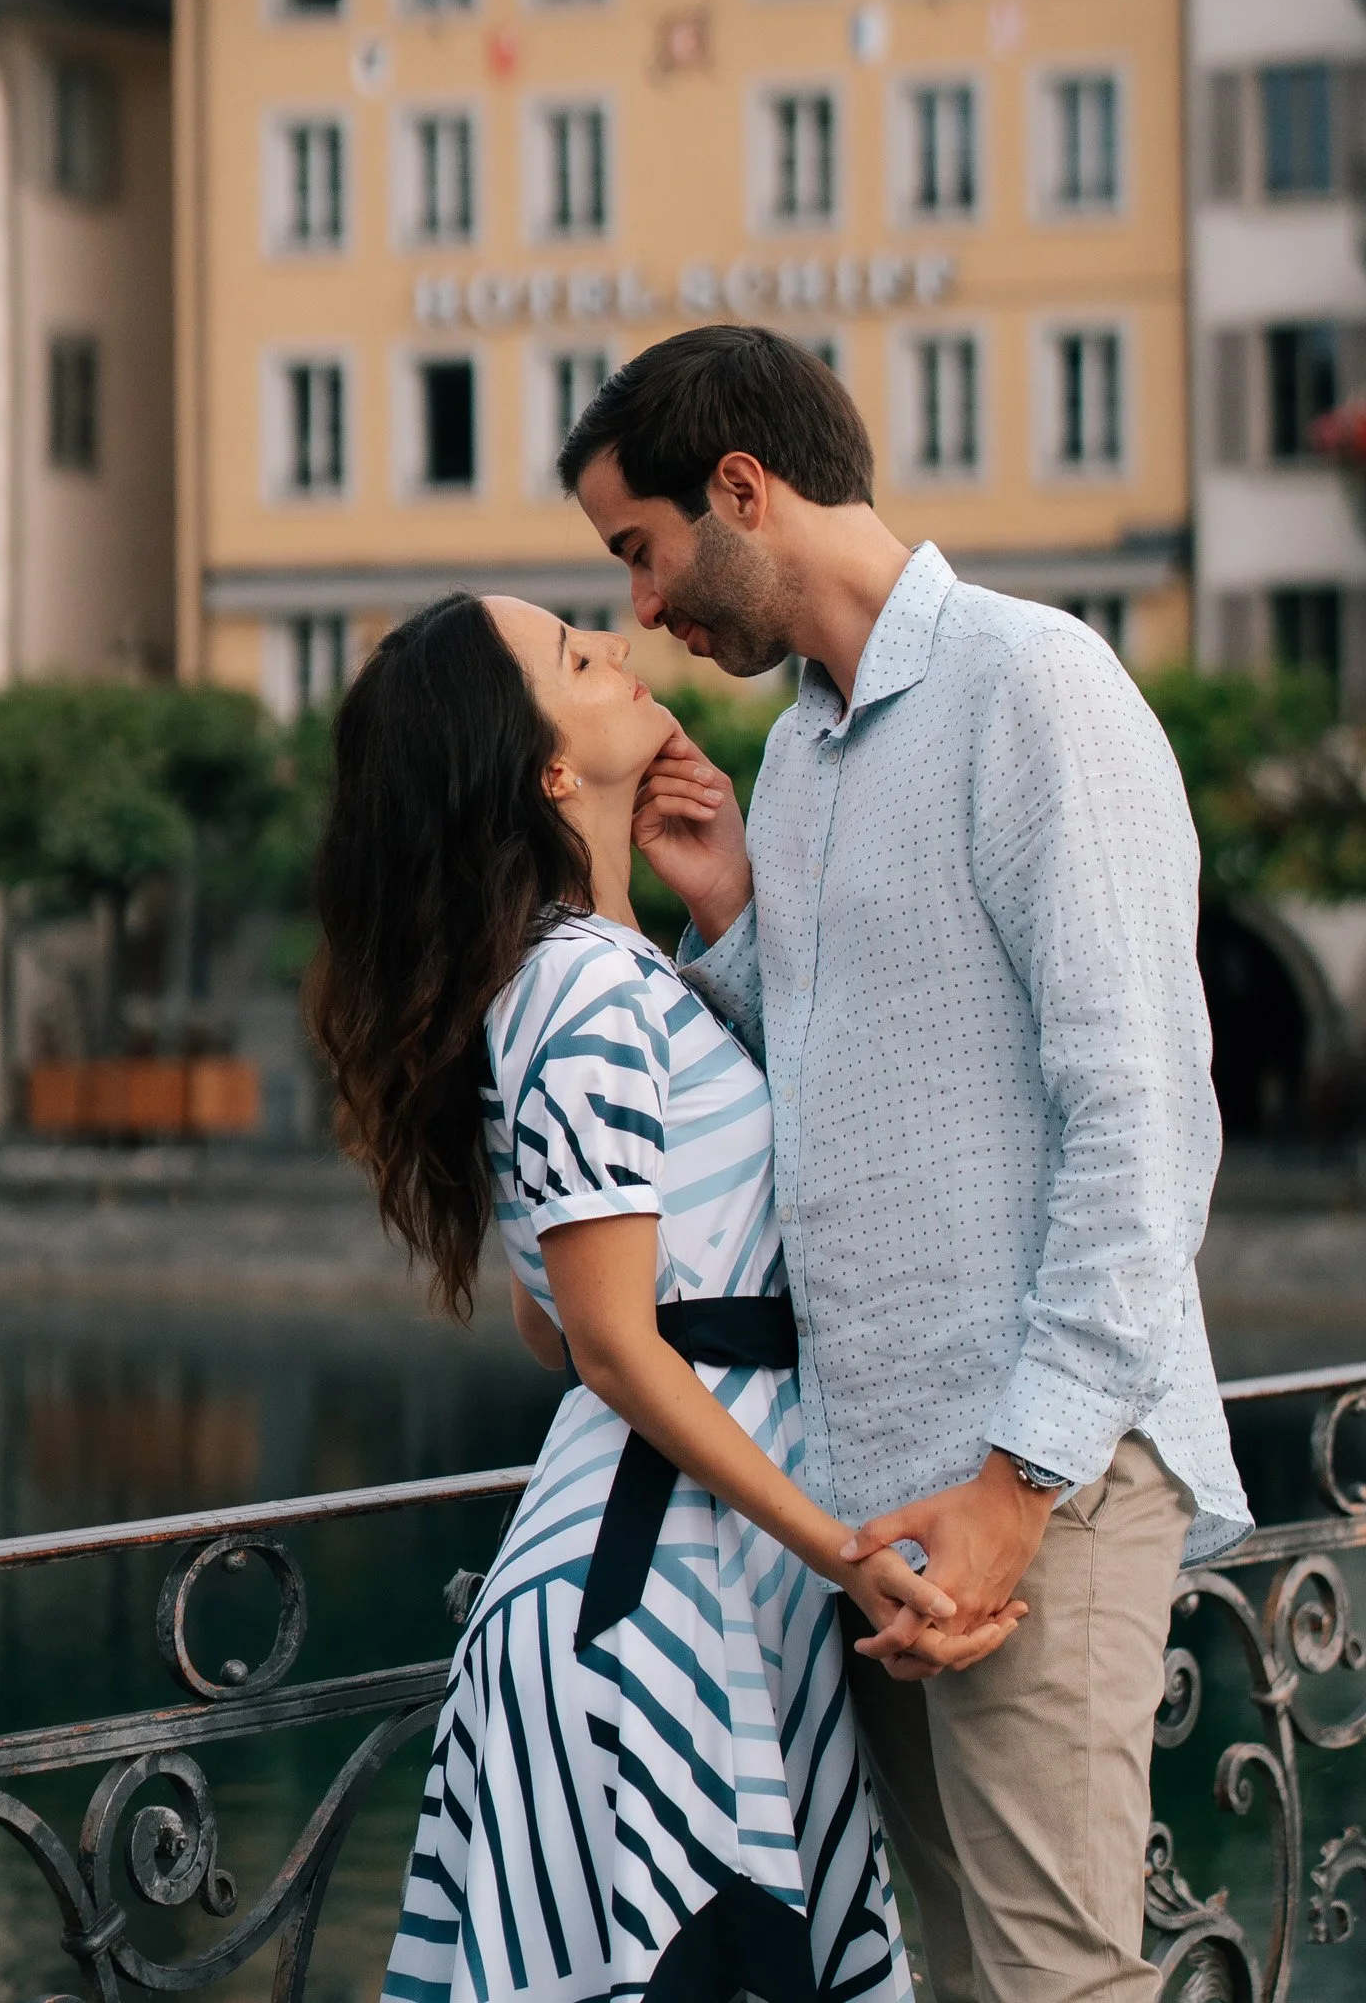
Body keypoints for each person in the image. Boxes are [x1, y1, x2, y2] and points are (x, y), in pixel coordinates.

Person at [559, 325, 1252, 2003]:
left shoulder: (1038, 686)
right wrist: (722, 907)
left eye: (640, 551)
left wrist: (1023, 1486)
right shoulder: (798, 752)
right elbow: (821, 1068)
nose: (645, 608)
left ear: (742, 489)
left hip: (1035, 1479)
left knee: (1055, 1987)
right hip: (876, 1510)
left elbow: (1147, 1118)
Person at [307, 589, 1024, 2003]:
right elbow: (614, 1348)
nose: (618, 649)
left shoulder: (613, 977)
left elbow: (559, 1314)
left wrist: (725, 903)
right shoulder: (579, 993)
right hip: (649, 1603)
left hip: (703, 1577)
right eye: (577, 658)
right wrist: (838, 1548)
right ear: (547, 773)